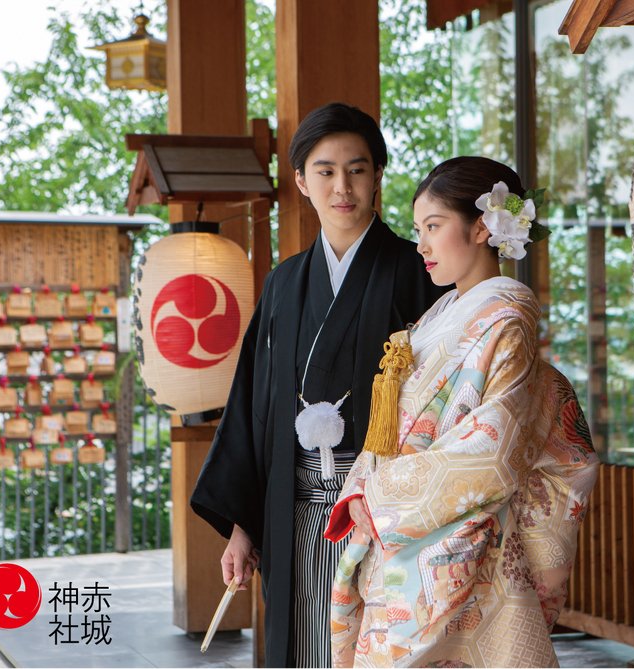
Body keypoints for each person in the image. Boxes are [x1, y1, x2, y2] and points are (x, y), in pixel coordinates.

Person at [190, 102, 446, 667]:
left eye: (357, 169)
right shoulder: (284, 283)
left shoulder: (416, 271)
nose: (342, 187)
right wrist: (242, 526)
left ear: (378, 176)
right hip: (294, 506)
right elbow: (253, 407)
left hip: (383, 509)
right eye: (325, 171)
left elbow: (444, 396)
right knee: (306, 640)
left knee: (379, 641)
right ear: (302, 181)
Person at [323, 156, 600, 668]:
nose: (422, 246)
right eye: (418, 230)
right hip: (401, 535)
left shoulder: (506, 319)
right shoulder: (439, 316)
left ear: (481, 227)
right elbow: (389, 430)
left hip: (460, 548)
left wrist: (381, 494)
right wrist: (361, 488)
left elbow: (493, 449)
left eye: (433, 226)